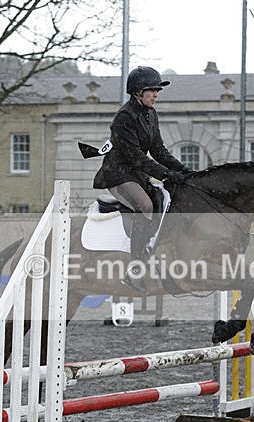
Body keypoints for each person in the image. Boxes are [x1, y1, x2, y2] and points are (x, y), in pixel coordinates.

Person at [93, 66, 192, 292]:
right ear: (138, 92)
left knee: (164, 200)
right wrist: (165, 174)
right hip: (118, 174)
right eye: (152, 90)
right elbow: (136, 157)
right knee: (145, 205)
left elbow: (159, 150)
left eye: (157, 90)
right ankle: (134, 271)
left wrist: (184, 171)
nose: (156, 94)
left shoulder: (151, 114)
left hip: (137, 174)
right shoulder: (124, 117)